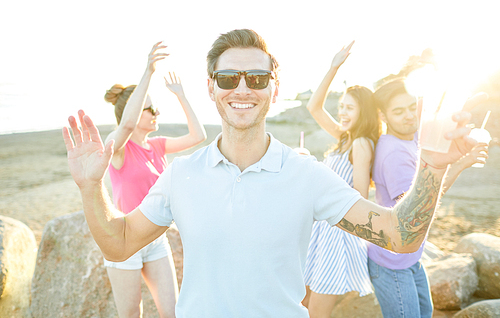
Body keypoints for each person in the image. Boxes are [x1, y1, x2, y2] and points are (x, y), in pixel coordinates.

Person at [62, 29, 479, 318]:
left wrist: (433, 166)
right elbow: (118, 246)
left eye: (257, 77)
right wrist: (90, 186)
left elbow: (399, 234)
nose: (242, 88)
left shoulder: (306, 175)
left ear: (274, 89)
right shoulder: (181, 174)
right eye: (228, 77)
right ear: (211, 87)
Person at [101, 41, 206, 318]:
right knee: (131, 315)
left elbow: (198, 136)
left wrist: (181, 95)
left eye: (156, 108)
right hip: (124, 240)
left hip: (155, 238)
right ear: (134, 113)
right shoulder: (118, 149)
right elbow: (125, 125)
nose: (156, 113)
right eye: (150, 109)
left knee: (172, 312)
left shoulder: (157, 145)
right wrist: (147, 73)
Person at [368, 77, 489, 318]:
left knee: (425, 313)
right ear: (384, 117)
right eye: (399, 112)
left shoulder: (410, 138)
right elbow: (418, 206)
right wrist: (462, 163)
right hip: (391, 261)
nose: (409, 116)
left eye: (412, 108)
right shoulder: (394, 153)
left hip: (409, 255)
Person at [302, 42, 380, 317]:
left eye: (350, 108)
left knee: (316, 312)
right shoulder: (346, 139)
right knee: (301, 303)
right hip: (322, 229)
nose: (343, 113)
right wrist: (333, 66)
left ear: (364, 111)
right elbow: (315, 106)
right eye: (342, 107)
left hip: (336, 233)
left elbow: (359, 196)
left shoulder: (360, 144)